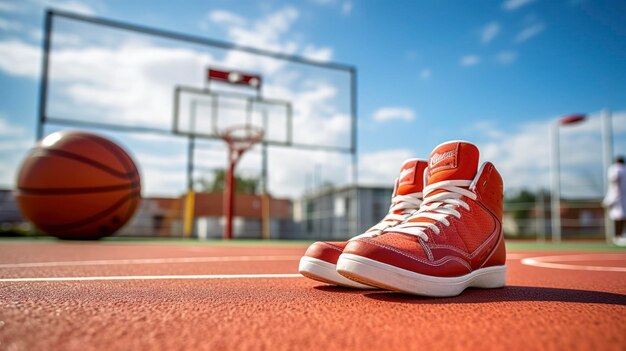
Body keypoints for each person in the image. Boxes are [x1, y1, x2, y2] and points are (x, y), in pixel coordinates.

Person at [604, 156, 625, 244]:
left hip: (617, 197)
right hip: (620, 197)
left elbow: (614, 179)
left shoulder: (615, 169)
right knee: (620, 216)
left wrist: (610, 199)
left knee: (618, 216)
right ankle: (619, 236)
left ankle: (618, 236)